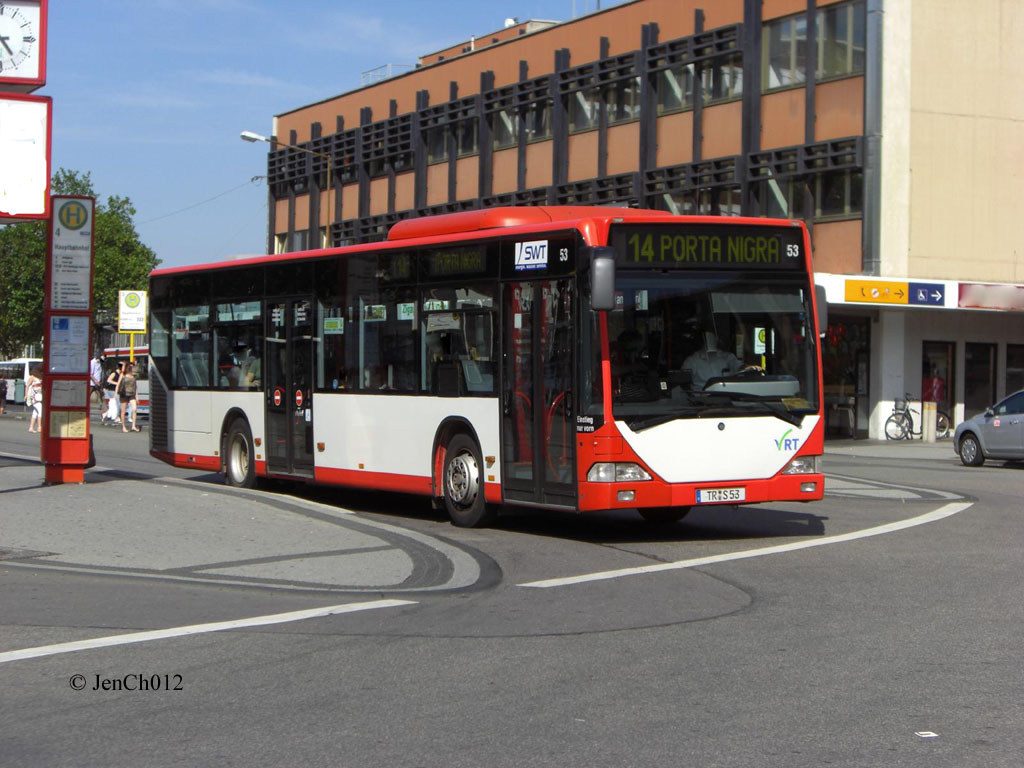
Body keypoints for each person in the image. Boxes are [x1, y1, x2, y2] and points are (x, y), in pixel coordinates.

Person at [683, 330, 750, 389]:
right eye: (709, 337)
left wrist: (748, 368)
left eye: (715, 336)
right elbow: (683, 383)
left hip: (726, 397)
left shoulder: (728, 357)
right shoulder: (692, 361)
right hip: (702, 399)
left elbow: (740, 367)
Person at [117, 362, 140, 432]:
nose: (132, 368)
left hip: (132, 395)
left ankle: (133, 426)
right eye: (131, 367)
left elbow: (135, 387)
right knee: (123, 412)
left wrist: (137, 397)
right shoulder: (123, 375)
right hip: (124, 394)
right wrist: (115, 394)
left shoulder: (133, 376)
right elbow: (118, 384)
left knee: (134, 409)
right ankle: (123, 427)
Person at [26, 365, 43, 433]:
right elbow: (27, 386)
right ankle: (39, 427)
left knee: (35, 413)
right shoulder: (32, 377)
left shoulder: (41, 377)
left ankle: (31, 427)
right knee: (40, 411)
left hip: (40, 396)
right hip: (35, 396)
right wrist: (26, 395)